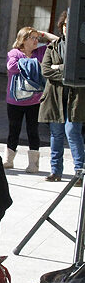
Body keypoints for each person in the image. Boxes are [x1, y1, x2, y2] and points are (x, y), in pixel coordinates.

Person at [3, 27, 58, 172]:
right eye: (32, 38)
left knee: (33, 130)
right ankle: (8, 160)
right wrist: (35, 64)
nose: (36, 41)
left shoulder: (40, 52)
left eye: (37, 38)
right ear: (23, 40)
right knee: (13, 130)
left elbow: (57, 42)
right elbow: (11, 66)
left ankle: (33, 164)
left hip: (34, 100)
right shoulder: (14, 53)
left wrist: (43, 33)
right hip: (15, 100)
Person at [39, 12, 84, 185]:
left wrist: (59, 67)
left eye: (71, 24)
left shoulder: (81, 47)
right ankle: (55, 171)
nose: (67, 28)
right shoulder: (54, 46)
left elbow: (79, 71)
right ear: (61, 27)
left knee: (72, 132)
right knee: (56, 134)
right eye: (65, 24)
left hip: (76, 98)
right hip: (55, 96)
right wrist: (66, 71)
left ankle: (79, 172)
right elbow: (46, 70)